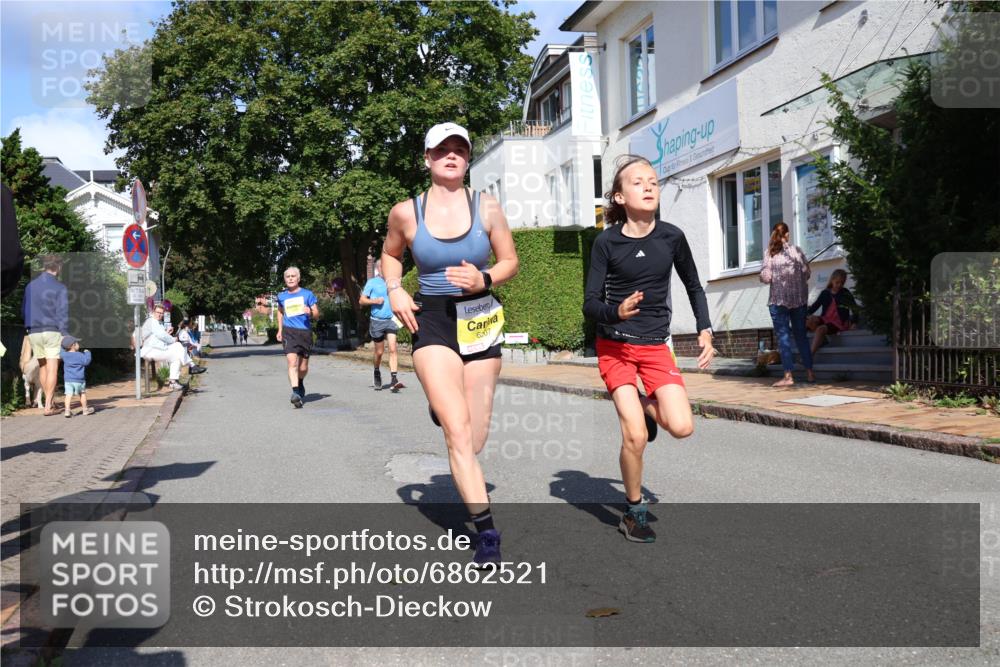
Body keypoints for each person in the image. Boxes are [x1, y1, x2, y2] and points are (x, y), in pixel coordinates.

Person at [382, 122, 518, 565]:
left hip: (478, 319)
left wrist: (485, 277)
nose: (452, 155)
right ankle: (486, 533)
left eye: (460, 148)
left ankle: (445, 406)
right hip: (432, 321)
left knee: (474, 438)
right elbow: (390, 255)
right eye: (442, 150)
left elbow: (510, 261)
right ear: (427, 158)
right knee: (458, 431)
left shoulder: (488, 207)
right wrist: (396, 288)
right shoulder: (406, 212)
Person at [583, 155, 715, 544]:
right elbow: (590, 304)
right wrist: (616, 311)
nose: (648, 187)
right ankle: (633, 510)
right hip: (616, 346)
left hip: (656, 346)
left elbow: (693, 285)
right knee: (635, 436)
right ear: (620, 196)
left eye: (653, 181)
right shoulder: (606, 242)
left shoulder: (671, 237)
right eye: (638, 182)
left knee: (683, 426)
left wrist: (704, 330)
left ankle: (644, 405)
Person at [760, 222, 816, 387]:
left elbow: (766, 277)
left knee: (783, 338)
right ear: (788, 234)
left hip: (779, 301)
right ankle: (810, 373)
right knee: (801, 338)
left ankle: (788, 376)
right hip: (799, 301)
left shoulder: (770, 253)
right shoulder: (797, 251)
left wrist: (762, 275)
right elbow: (807, 272)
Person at [23, 254, 68, 415]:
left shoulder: (30, 286)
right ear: (58, 267)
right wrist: (65, 333)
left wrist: (28, 327)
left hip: (33, 330)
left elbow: (24, 309)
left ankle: (47, 402)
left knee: (42, 366)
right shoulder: (60, 287)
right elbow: (62, 312)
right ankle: (49, 405)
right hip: (52, 330)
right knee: (52, 368)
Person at [276, 266, 319, 408]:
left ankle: (300, 382)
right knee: (291, 363)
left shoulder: (307, 294)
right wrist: (280, 329)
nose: (290, 278)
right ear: (284, 279)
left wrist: (310, 312)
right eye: (287, 276)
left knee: (303, 367)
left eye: (293, 276)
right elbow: (280, 312)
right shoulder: (281, 296)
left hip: (305, 332)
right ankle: (295, 393)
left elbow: (317, 313)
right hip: (289, 332)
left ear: (298, 278)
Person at [139, 303, 206, 390]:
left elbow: (159, 336)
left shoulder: (157, 323)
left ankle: (173, 382)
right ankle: (192, 366)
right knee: (177, 345)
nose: (160, 315)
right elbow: (162, 336)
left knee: (176, 357)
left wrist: (167, 333)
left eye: (162, 313)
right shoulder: (152, 321)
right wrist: (173, 339)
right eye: (158, 312)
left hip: (156, 349)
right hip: (151, 351)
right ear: (153, 312)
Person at [360, 260, 402, 391]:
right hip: (377, 321)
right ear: (379, 268)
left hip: (391, 319)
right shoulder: (372, 282)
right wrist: (375, 301)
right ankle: (376, 371)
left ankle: (394, 378)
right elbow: (361, 300)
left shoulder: (394, 281)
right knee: (379, 352)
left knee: (393, 348)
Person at [807, 269, 858, 355]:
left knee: (820, 329)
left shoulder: (845, 293)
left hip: (839, 322)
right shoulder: (825, 293)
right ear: (832, 280)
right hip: (826, 319)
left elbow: (855, 309)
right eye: (837, 282)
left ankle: (809, 356)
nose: (839, 285)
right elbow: (814, 307)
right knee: (809, 320)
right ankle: (823, 340)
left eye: (842, 283)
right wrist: (804, 315)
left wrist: (854, 322)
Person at [60, 335, 94, 417]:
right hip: (79, 380)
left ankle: (67, 411)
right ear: (73, 345)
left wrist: (62, 344)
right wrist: (87, 352)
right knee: (82, 394)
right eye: (77, 343)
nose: (78, 344)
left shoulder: (64, 355)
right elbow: (86, 361)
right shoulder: (80, 355)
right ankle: (85, 410)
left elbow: (61, 351)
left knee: (68, 395)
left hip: (68, 380)